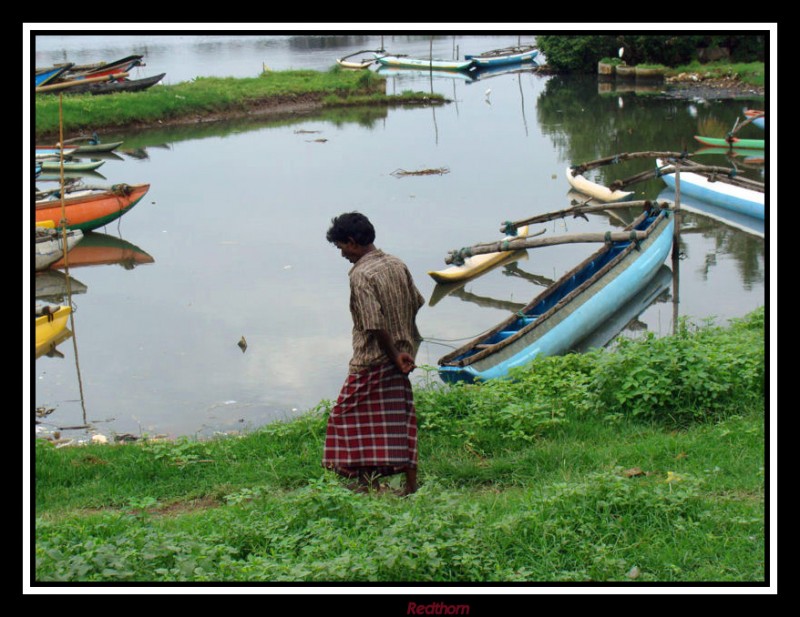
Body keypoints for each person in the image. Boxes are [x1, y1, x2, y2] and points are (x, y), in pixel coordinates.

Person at [322, 212, 425, 496]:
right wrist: (406, 348)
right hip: (401, 357)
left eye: (341, 247)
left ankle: (367, 480)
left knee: (343, 417)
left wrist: (393, 354)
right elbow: (416, 302)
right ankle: (391, 483)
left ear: (352, 242)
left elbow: (373, 322)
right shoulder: (396, 263)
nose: (342, 254)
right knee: (396, 420)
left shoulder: (361, 274)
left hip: (373, 360)